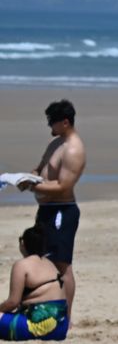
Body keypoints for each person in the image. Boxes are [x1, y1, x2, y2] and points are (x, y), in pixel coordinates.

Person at [16, 100, 84, 307]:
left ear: (65, 122)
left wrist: (32, 187)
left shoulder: (73, 149)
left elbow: (63, 186)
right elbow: (40, 169)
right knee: (41, 259)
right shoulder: (56, 143)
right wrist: (27, 177)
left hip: (61, 211)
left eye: (51, 122)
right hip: (45, 209)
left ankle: (67, 316)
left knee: (62, 265)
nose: (49, 127)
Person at [0, 225, 69, 340]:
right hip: (61, 326)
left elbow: (13, 302)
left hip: (40, 327)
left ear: (23, 244)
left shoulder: (22, 265)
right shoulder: (50, 264)